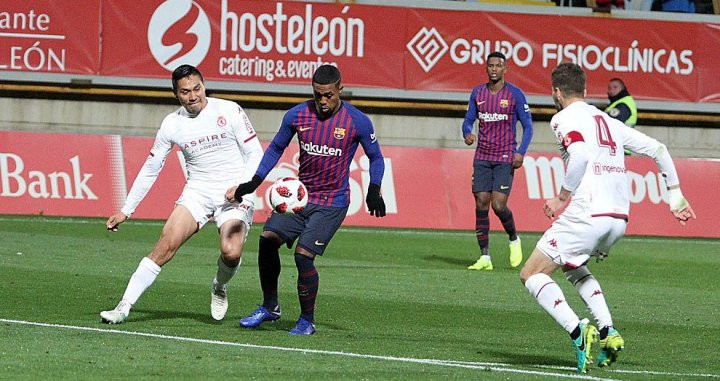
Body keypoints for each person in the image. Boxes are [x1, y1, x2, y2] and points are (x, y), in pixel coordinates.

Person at [519, 62, 696, 374]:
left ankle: (578, 331)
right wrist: (675, 194)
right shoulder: (607, 119)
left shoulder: (563, 117)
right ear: (586, 91)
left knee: (532, 274)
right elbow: (658, 149)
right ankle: (607, 331)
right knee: (573, 266)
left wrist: (561, 197)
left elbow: (581, 155)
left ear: (556, 93)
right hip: (618, 219)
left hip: (588, 212)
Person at [226, 64, 386, 335]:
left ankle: (307, 320)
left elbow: (376, 157)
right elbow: (277, 146)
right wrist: (254, 181)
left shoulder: (357, 121)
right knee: (266, 242)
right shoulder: (297, 115)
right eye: (317, 95)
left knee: (303, 256)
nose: (323, 101)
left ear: (340, 91)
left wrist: (374, 188)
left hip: (332, 202)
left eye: (328, 95)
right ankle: (270, 307)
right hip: (300, 198)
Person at [100, 64, 263, 324]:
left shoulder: (229, 109)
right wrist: (126, 210)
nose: (193, 96)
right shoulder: (172, 124)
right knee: (164, 246)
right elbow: (151, 168)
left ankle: (219, 286)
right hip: (197, 192)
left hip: (235, 192)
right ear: (176, 94)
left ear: (204, 85)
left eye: (197, 88)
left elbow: (255, 153)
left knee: (231, 252)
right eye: (185, 91)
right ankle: (123, 307)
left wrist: (243, 187)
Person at [462, 51, 534, 271]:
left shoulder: (515, 94)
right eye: (490, 65)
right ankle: (485, 257)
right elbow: (468, 121)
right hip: (482, 155)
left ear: (505, 69)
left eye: (498, 66)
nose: (494, 69)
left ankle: (513, 237)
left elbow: (528, 126)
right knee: (481, 201)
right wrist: (467, 133)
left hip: (505, 156)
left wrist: (520, 151)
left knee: (498, 204)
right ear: (486, 68)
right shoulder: (478, 93)